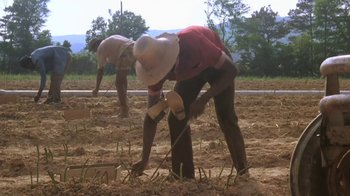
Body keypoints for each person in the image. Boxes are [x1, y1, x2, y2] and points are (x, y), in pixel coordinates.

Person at [131, 26, 249, 179]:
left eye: (163, 73)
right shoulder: (153, 68)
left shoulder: (193, 43)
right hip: (190, 72)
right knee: (176, 117)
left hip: (217, 66)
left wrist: (203, 99)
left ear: (169, 61)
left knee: (226, 116)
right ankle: (183, 175)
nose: (161, 78)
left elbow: (232, 71)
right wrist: (145, 159)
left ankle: (243, 171)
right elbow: (151, 117)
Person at [89, 35, 136, 118]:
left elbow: (100, 70)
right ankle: (125, 104)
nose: (95, 52)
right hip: (136, 47)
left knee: (118, 82)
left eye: (94, 50)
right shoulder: (109, 41)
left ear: (95, 46)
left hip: (125, 51)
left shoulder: (101, 48)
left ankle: (124, 111)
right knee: (122, 80)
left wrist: (96, 88)